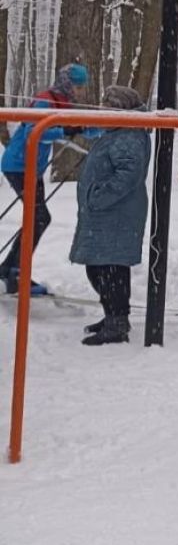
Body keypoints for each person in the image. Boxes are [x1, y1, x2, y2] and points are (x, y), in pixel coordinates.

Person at [69, 86, 151, 345]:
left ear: (121, 110)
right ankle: (113, 316)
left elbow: (128, 174)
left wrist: (99, 196)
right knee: (100, 267)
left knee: (108, 269)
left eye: (108, 107)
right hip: (106, 214)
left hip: (115, 214)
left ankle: (117, 323)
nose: (102, 111)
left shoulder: (128, 135)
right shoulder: (118, 131)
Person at [1, 63, 90, 295]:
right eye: (78, 87)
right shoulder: (45, 100)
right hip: (19, 165)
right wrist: (65, 131)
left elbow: (72, 129)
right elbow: (34, 131)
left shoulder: (62, 103)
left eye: (82, 88)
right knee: (39, 218)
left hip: (31, 167)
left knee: (37, 218)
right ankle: (16, 272)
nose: (81, 92)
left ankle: (10, 270)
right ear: (67, 84)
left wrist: (95, 129)